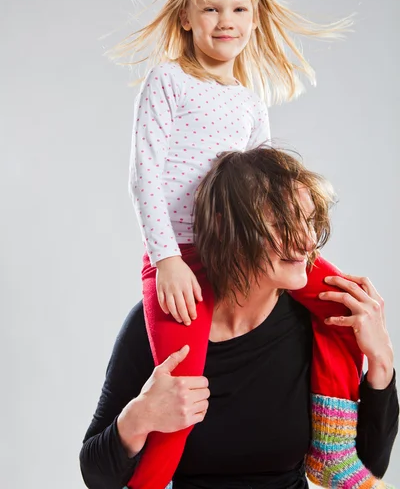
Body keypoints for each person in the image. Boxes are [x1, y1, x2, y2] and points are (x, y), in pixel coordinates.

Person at [107, 0, 392, 487]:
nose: (226, 22)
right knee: (180, 395)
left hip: (249, 247)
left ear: (254, 18)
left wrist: (380, 365)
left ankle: (333, 450)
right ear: (186, 18)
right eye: (211, 9)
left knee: (345, 303)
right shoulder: (167, 81)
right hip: (184, 259)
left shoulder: (248, 100)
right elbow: (144, 177)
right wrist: (167, 259)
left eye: (239, 9)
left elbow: (269, 185)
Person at [80, 147, 398, 488]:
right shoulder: (160, 325)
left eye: (308, 220)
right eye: (281, 223)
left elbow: (367, 467)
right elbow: (96, 475)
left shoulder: (314, 324)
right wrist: (139, 416)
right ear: (224, 227)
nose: (307, 241)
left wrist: (381, 362)